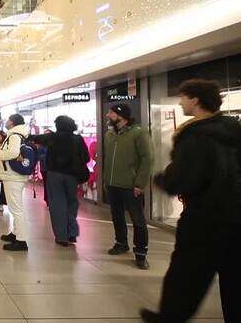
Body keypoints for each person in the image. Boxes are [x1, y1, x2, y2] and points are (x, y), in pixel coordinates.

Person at [140, 80, 241, 323]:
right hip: (237, 215)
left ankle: (169, 318)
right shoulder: (234, 130)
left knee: (186, 276)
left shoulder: (194, 135)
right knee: (235, 277)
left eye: (183, 97)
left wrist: (162, 180)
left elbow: (183, 179)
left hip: (204, 218)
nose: (180, 102)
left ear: (195, 100)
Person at [103, 103, 153, 270]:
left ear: (120, 116)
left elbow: (147, 159)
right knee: (117, 216)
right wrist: (105, 180)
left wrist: (140, 183)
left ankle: (140, 253)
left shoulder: (138, 133)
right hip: (113, 184)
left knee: (138, 220)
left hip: (131, 186)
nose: (108, 115)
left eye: (111, 113)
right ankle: (121, 243)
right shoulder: (109, 135)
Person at [28, 116, 89, 246]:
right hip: (72, 176)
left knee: (57, 204)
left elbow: (36, 138)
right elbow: (86, 157)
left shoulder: (53, 137)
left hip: (55, 175)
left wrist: (26, 135)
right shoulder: (78, 139)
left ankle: (62, 236)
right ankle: (72, 233)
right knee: (72, 203)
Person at [0, 114, 30, 251]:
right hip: (14, 176)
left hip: (13, 176)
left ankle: (21, 240)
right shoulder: (19, 134)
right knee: (15, 207)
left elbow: (13, 153)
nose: (6, 122)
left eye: (8, 120)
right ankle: (15, 233)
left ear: (12, 122)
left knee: (16, 209)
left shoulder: (14, 135)